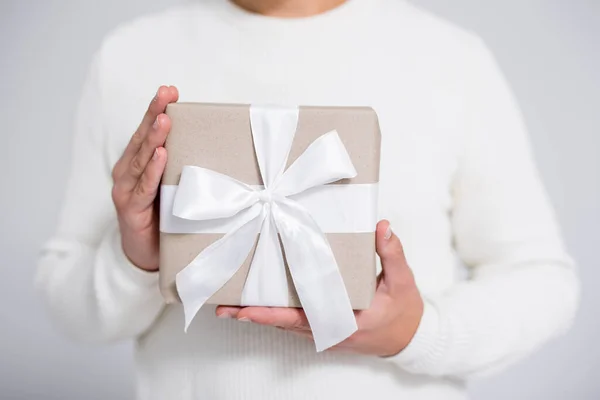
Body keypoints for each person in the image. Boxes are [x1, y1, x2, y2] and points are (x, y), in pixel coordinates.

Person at [35, 0, 580, 399]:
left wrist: (415, 332)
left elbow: (544, 282)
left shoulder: (450, 59)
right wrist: (136, 257)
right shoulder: (130, 56)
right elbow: (68, 303)